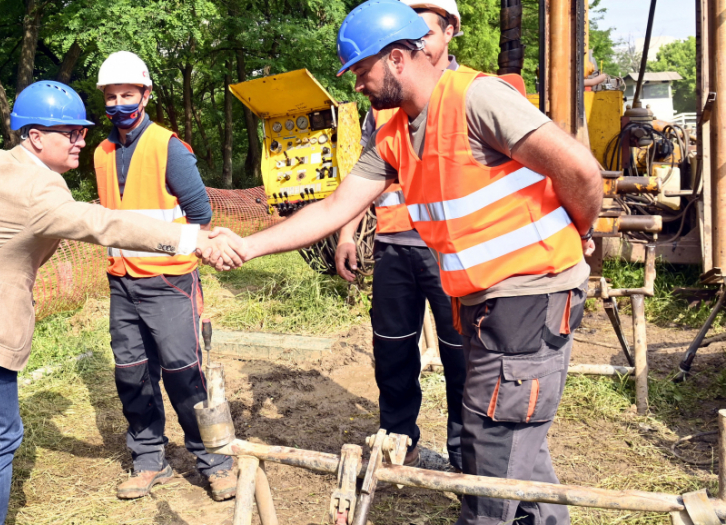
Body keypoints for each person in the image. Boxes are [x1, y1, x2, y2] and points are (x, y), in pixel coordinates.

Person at [210, 1, 602, 523]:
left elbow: (580, 168)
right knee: (516, 448)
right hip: (486, 301)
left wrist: (581, 233)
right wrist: (247, 245)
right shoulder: (395, 132)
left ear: (396, 58)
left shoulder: (477, 98)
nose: (356, 86)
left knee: (491, 458)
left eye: (361, 71)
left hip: (529, 296)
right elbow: (334, 207)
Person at [0, 80, 239, 525]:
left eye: (82, 131)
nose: (82, 139)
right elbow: (99, 222)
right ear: (36, 137)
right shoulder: (39, 190)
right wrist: (190, 238)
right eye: (70, 132)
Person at [92, 51, 237, 502]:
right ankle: (149, 459)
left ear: (145, 94)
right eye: (111, 96)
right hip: (122, 282)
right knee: (132, 374)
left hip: (171, 282)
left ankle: (216, 461)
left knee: (183, 374)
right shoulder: (100, 153)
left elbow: (199, 214)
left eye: (127, 94)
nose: (119, 103)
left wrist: (170, 246)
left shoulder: (167, 146)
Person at [333, 0, 465, 472]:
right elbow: (362, 176)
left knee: (462, 359)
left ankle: (467, 458)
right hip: (393, 247)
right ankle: (398, 443)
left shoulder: (469, 96)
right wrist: (347, 233)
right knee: (391, 350)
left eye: (426, 30)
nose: (418, 40)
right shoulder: (384, 102)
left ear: (449, 32)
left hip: (448, 253)